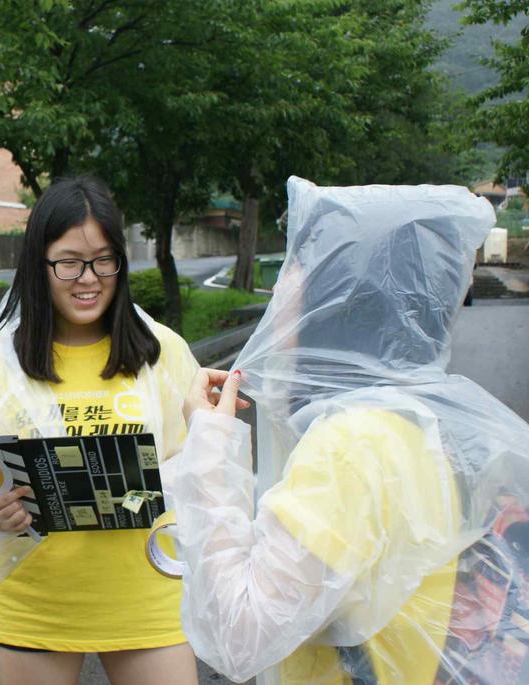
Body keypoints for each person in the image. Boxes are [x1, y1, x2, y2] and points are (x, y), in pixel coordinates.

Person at [170, 176, 529, 684]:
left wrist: (208, 442)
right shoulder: (421, 425)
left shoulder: (353, 448)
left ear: (340, 296)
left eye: (295, 273)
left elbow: (239, 633)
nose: (279, 293)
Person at [0, 176, 210, 685]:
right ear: (40, 263)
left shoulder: (163, 353)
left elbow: (204, 468)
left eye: (103, 260)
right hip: (37, 603)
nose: (88, 278)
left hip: (149, 596)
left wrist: (214, 421)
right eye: (69, 261)